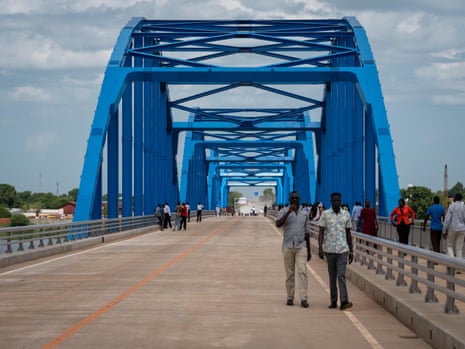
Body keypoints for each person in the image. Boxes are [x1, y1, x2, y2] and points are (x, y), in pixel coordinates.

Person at [275, 191, 311, 308]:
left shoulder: (305, 212)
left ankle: (304, 298)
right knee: (290, 274)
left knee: (302, 272)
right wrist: (288, 212)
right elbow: (278, 224)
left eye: (296, 198)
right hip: (288, 246)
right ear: (289, 199)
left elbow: (307, 232)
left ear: (299, 199)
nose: (295, 200)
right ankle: (290, 297)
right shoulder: (283, 211)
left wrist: (309, 250)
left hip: (301, 246)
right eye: (293, 198)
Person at [318, 192, 354, 310]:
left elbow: (348, 233)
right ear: (331, 201)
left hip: (343, 250)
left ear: (341, 201)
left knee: (341, 275)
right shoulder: (325, 215)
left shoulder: (346, 214)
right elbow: (321, 232)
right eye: (334, 200)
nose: (336, 202)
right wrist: (320, 248)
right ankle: (333, 300)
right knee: (332, 276)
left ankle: (344, 300)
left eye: (338, 200)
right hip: (329, 250)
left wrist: (351, 250)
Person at [442, 193, 465, 259]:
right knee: (459, 249)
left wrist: (444, 231)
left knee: (449, 246)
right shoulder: (463, 207)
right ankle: (458, 267)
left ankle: (452, 262)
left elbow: (447, 220)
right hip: (462, 229)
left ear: (455, 198)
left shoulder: (452, 206)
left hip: (453, 228)